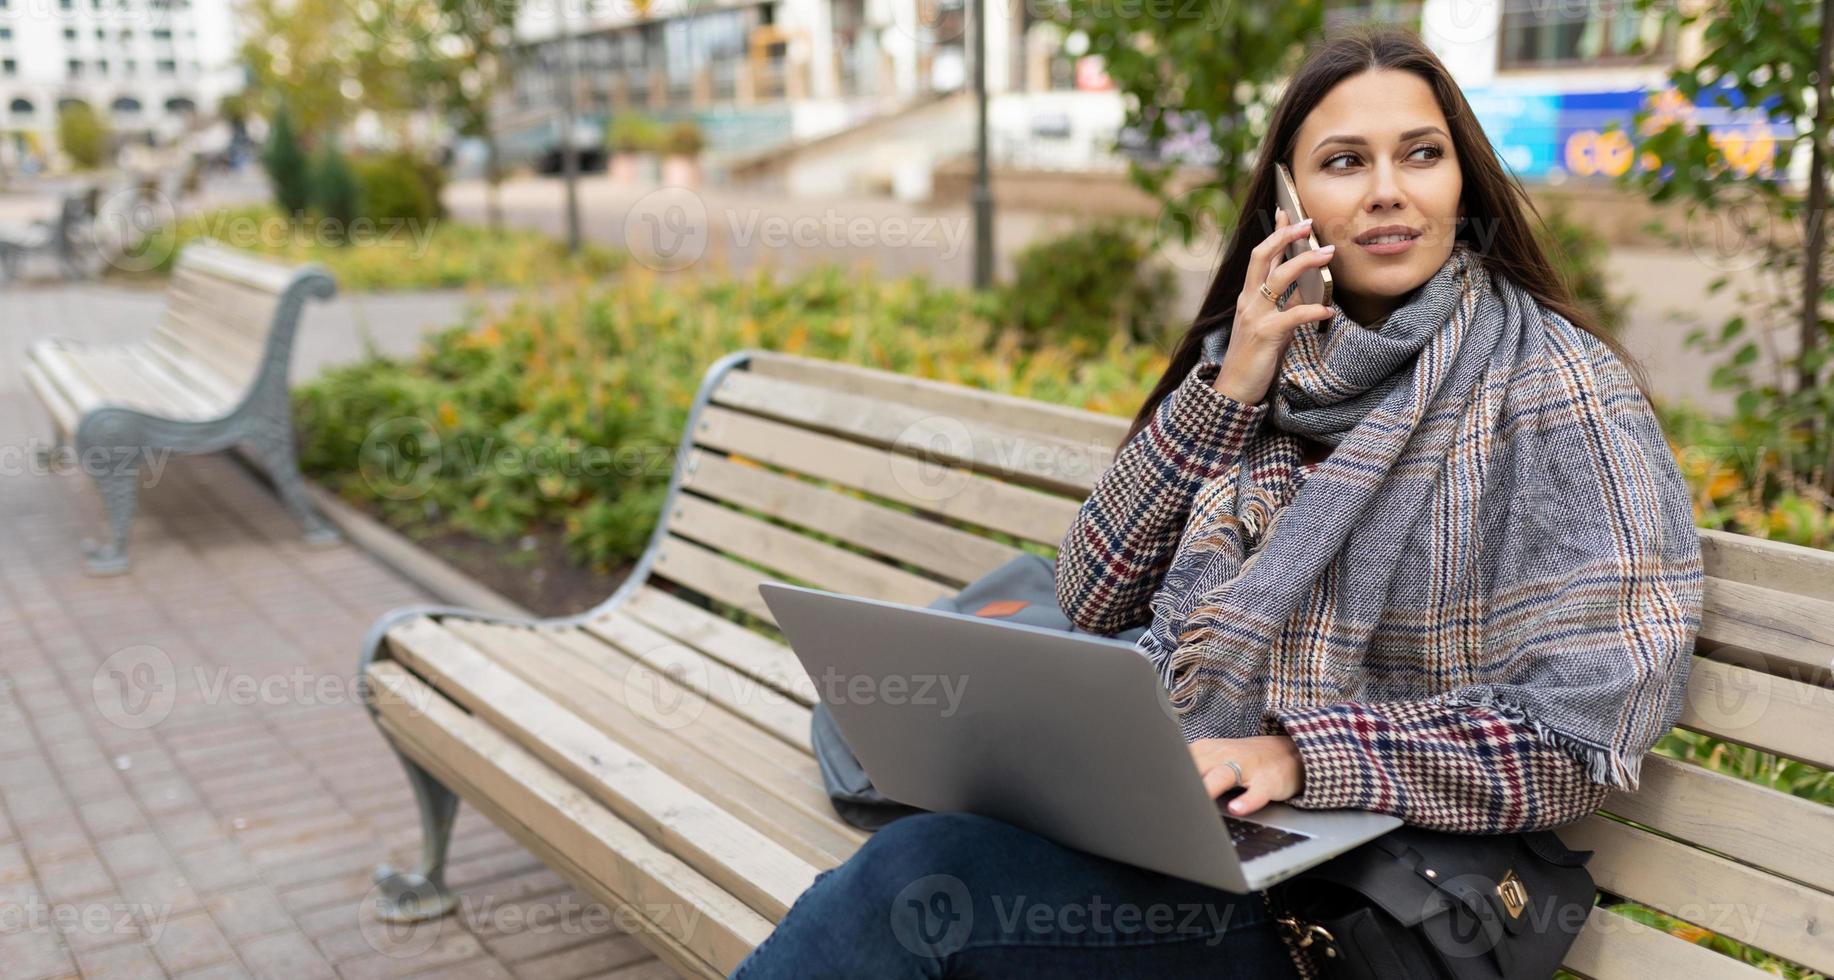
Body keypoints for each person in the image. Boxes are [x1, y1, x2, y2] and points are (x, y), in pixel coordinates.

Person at [729, 23, 1703, 980]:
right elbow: (1092, 592)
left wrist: (1295, 754)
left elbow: (1580, 730)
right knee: (919, 875)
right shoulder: (1268, 373)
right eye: (1342, 161)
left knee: (915, 886)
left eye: (1420, 154)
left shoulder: (1555, 390)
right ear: (1288, 195)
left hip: (1355, 904)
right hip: (1183, 834)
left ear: (1462, 178)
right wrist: (1229, 386)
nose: (1388, 191)